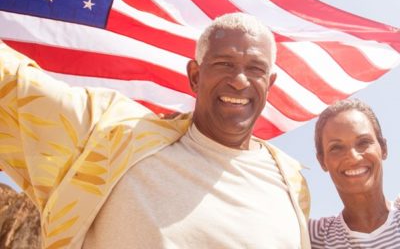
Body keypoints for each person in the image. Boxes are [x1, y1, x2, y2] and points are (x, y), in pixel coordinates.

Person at [0, 12, 310, 249]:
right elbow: (15, 86)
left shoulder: (291, 184)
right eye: (225, 64)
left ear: (269, 85)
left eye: (255, 69)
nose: (240, 80)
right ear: (195, 76)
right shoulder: (114, 136)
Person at [309, 98, 400, 248]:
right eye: (336, 148)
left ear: (383, 148)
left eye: (363, 142)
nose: (353, 157)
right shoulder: (314, 236)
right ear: (322, 161)